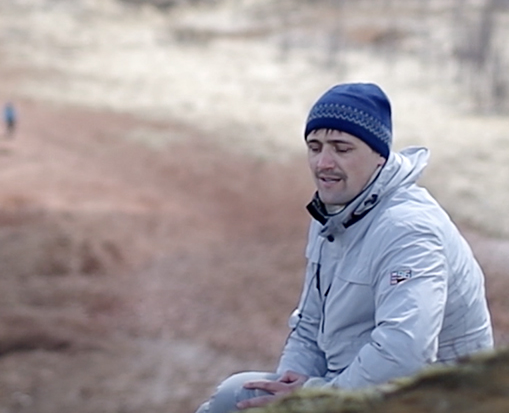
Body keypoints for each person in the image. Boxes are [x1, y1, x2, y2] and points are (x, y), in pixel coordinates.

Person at [196, 83, 493, 412]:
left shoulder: (408, 230)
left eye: (341, 148)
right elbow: (309, 326)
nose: (323, 162)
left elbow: (405, 353)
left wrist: (318, 399)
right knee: (237, 399)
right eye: (314, 146)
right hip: (356, 390)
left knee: (230, 402)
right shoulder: (333, 213)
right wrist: (289, 386)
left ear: (379, 154)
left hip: (433, 401)